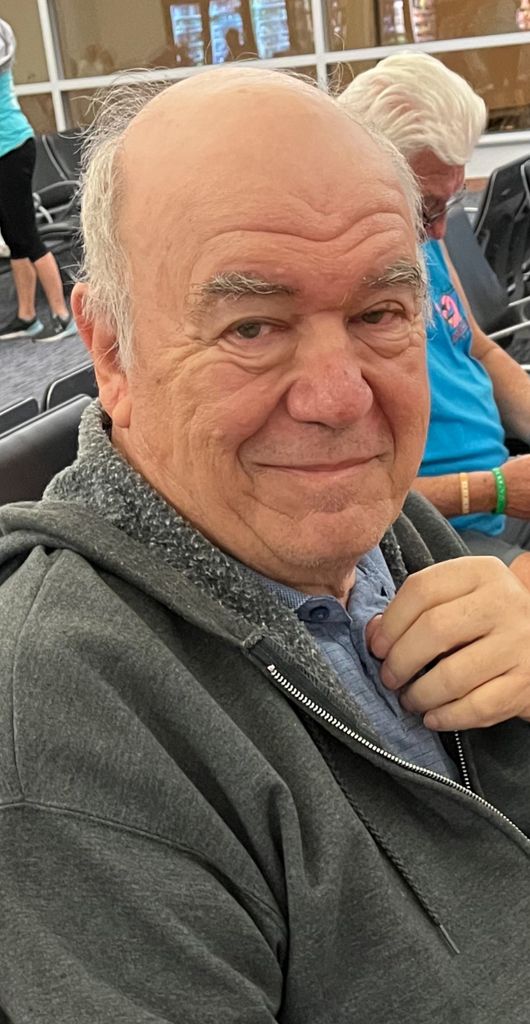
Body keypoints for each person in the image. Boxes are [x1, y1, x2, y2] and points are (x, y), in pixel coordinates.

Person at [0, 67, 529, 1021]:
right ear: (111, 352)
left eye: (378, 314)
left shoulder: (383, 530)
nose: (340, 400)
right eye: (252, 327)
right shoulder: (69, 721)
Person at [339, 51, 530, 590]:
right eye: (426, 208)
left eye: (451, 201)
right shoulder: (343, 291)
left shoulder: (422, 234)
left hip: (501, 494)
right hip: (436, 532)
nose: (441, 231)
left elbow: (477, 348)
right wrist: (494, 489)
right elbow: (352, 495)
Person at [0, 18, 76, 342]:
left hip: (12, 149)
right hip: (7, 151)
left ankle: (62, 315)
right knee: (14, 236)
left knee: (27, 237)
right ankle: (26, 316)